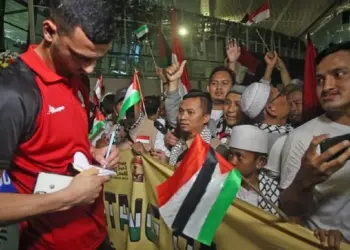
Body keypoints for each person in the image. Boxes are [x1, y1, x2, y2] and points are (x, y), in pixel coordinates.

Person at [0, 0, 120, 249]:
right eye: (81, 56)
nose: (90, 68)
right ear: (49, 31)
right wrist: (68, 198)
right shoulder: (12, 94)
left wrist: (91, 155)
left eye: (98, 58)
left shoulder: (77, 77)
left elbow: (55, 147)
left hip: (96, 237)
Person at [279, 42, 350, 246]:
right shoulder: (304, 137)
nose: (326, 87)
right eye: (320, 80)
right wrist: (305, 180)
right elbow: (289, 209)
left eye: (338, 74)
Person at [228, 125, 280, 215]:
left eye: (239, 156)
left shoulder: (274, 193)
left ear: (260, 162)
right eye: (231, 155)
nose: (232, 161)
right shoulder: (219, 185)